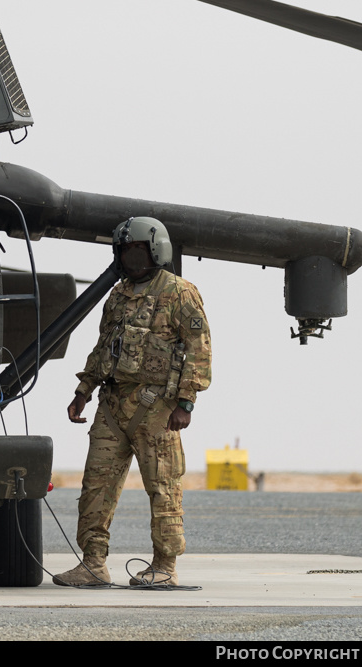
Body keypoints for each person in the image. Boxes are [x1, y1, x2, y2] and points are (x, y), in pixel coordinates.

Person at [52, 216, 212, 588]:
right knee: (95, 486)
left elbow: (199, 351)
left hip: (157, 409)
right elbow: (103, 346)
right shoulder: (118, 295)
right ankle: (92, 563)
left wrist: (185, 403)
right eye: (125, 251)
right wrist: (83, 391)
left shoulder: (181, 292)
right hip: (112, 405)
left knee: (163, 487)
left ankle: (165, 565)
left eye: (138, 250)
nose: (131, 258)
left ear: (156, 250)